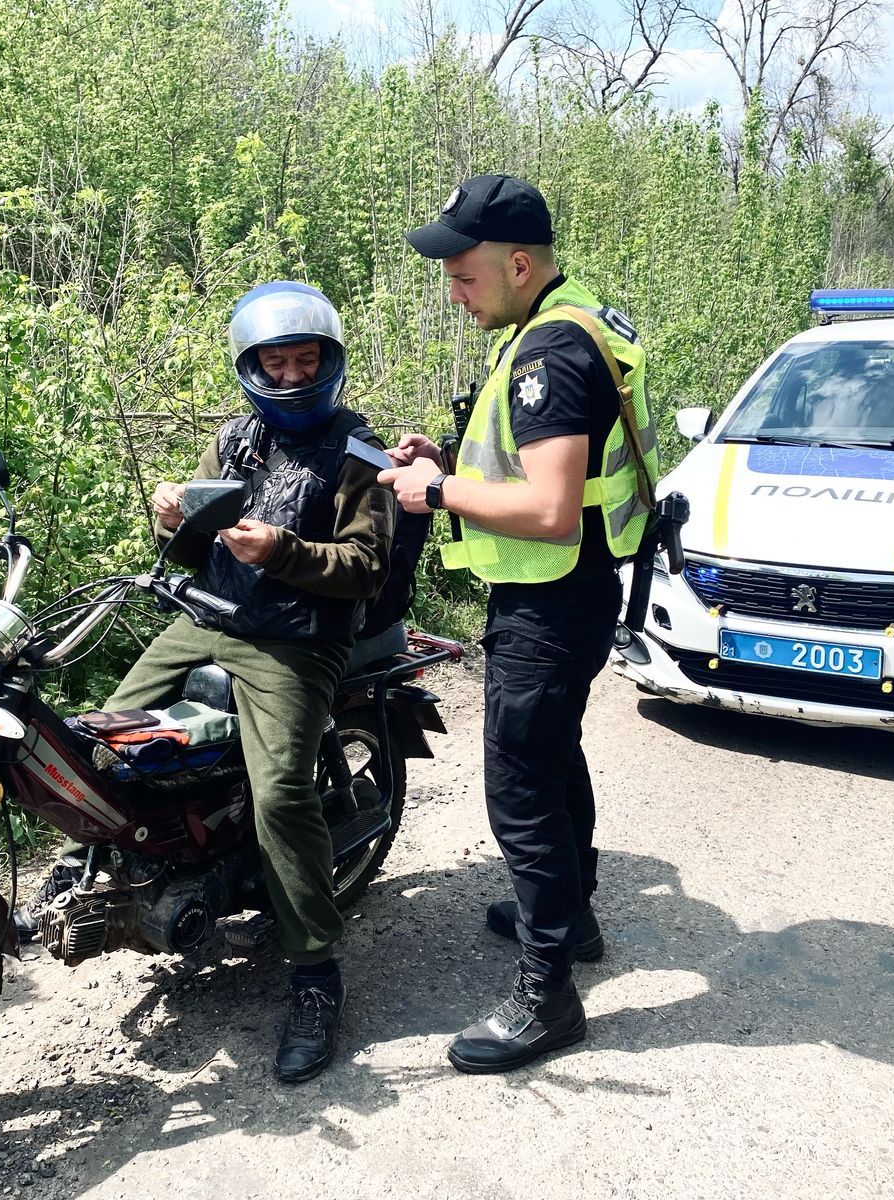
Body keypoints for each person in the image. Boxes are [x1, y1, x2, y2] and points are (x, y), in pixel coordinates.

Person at [379, 174, 658, 1073]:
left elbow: (547, 507)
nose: (455, 294)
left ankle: (549, 1000)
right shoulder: (571, 318)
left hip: (550, 596)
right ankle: (571, 921)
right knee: (554, 757)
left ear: (519, 263)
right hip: (570, 595)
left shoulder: (548, 356)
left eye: (464, 277)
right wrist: (452, 456)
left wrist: (436, 488)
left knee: (521, 791)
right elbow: (541, 459)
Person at [102, 280, 394, 1083]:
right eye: (279, 361)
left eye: (308, 360)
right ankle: (150, 866)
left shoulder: (358, 451)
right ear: (252, 365)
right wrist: (171, 517)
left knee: (282, 795)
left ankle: (313, 972)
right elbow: (199, 549)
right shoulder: (232, 440)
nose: (295, 375)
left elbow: (366, 569)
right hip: (210, 617)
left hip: (298, 643)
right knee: (104, 740)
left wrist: (285, 554)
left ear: (329, 362)